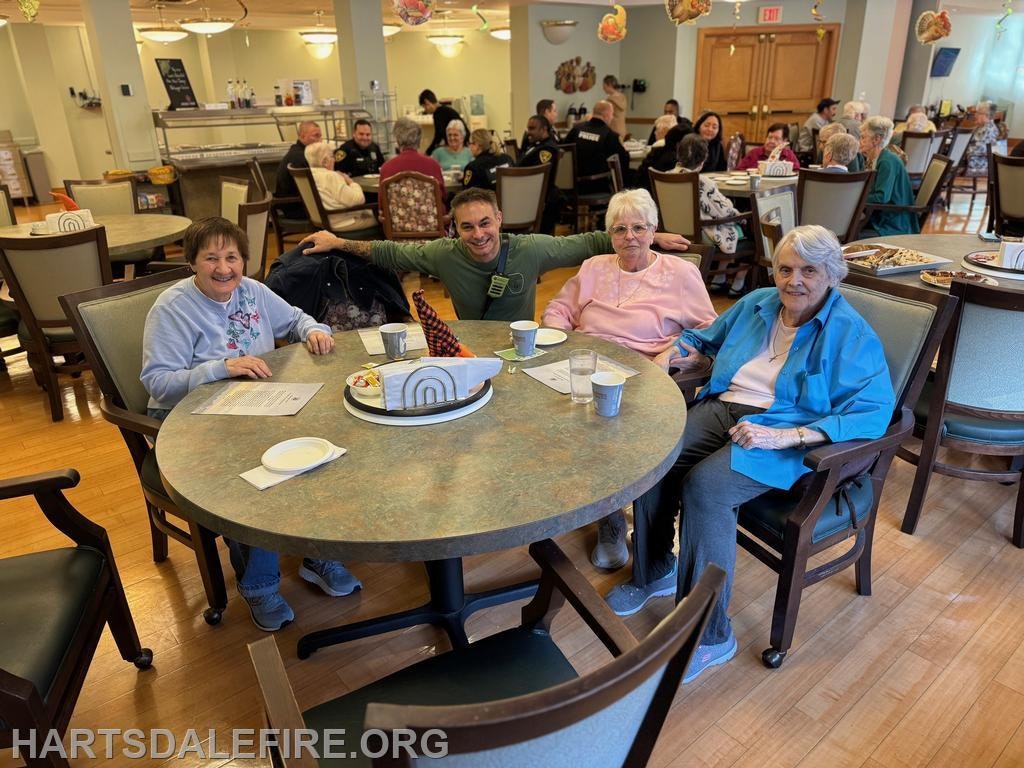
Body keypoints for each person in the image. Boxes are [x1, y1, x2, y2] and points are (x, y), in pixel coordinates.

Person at [605, 224, 894, 684]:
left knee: (706, 488)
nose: (792, 280)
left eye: (808, 271)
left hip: (785, 431)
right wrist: (672, 354)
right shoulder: (757, 304)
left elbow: (876, 412)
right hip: (726, 406)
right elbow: (703, 339)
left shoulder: (850, 335)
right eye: (784, 268)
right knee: (655, 455)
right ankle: (655, 569)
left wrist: (794, 436)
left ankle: (710, 635)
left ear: (832, 275)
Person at [140, 218, 360, 632]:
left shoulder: (252, 291)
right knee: (251, 477)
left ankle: (316, 552)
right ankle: (259, 585)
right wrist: (219, 367)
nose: (223, 268)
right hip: (191, 419)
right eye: (211, 258)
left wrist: (313, 330)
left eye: (232, 257)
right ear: (191, 263)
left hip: (257, 406)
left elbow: (296, 319)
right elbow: (158, 384)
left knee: (324, 447)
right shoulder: (172, 308)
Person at [542, 189, 718, 570]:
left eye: (639, 227)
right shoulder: (593, 267)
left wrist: (674, 355)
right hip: (585, 365)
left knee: (603, 431)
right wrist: (560, 342)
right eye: (620, 229)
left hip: (644, 373)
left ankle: (621, 521)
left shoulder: (680, 274)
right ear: (610, 235)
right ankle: (604, 513)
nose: (630, 237)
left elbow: (709, 333)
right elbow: (558, 308)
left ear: (654, 229)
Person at [297, 187, 692, 322]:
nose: (479, 234)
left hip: (522, 348)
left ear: (499, 219)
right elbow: (389, 251)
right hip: (472, 347)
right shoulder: (443, 255)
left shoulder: (532, 249)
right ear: (455, 228)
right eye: (467, 226)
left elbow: (592, 241)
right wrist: (339, 242)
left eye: (485, 223)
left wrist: (648, 237)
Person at [673, 134, 747, 295]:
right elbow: (723, 211)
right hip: (701, 234)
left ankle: (719, 278)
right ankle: (739, 279)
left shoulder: (667, 175)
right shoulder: (702, 182)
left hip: (673, 232)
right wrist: (740, 215)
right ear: (704, 158)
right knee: (746, 227)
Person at [859, 115, 919, 236]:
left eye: (863, 137)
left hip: (892, 223)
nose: (860, 141)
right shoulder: (877, 158)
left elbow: (882, 197)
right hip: (881, 216)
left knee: (851, 233)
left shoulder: (887, 162)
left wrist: (856, 197)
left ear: (876, 139)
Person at [303, 141, 377, 232]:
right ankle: (384, 246)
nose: (334, 159)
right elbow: (359, 199)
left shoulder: (309, 174)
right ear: (325, 162)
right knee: (384, 218)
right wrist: (350, 182)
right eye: (332, 156)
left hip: (324, 221)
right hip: (343, 222)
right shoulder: (330, 176)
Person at [564, 100, 629, 193]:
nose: (612, 118)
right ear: (606, 115)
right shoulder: (609, 135)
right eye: (612, 115)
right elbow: (622, 160)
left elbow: (564, 152)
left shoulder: (576, 130)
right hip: (598, 185)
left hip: (572, 185)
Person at [379, 117, 447, 202]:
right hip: (431, 215)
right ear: (419, 141)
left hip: (397, 215)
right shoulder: (433, 165)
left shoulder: (386, 168)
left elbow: (382, 203)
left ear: (398, 140)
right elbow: (443, 196)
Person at [517, 114, 562, 234]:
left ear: (543, 130)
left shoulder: (547, 149)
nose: (528, 132)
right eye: (528, 128)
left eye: (532, 128)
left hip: (537, 197)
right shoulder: (534, 144)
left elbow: (538, 176)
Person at [274, 120, 322, 219]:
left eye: (320, 136)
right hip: (298, 208)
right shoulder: (301, 157)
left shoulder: (296, 151)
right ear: (302, 136)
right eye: (316, 136)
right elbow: (316, 187)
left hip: (292, 206)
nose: (320, 141)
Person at [419, 89, 469, 155]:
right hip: (462, 141)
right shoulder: (445, 109)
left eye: (424, 106)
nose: (425, 109)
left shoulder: (438, 113)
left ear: (427, 102)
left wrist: (428, 152)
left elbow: (438, 135)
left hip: (458, 144)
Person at [735, 123, 801, 172]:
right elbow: (739, 171)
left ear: (784, 141)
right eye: (770, 137)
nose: (771, 141)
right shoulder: (754, 153)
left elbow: (797, 172)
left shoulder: (788, 155)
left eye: (777, 139)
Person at [966, 101, 999, 176]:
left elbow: (981, 149)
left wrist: (963, 150)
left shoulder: (989, 129)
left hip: (977, 163)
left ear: (986, 115)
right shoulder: (981, 126)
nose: (975, 115)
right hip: (972, 159)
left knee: (948, 161)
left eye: (978, 113)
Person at [602, 74, 628, 140]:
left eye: (604, 86)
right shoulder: (622, 97)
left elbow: (604, 115)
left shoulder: (610, 100)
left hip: (612, 130)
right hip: (622, 129)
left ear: (609, 85)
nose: (603, 88)